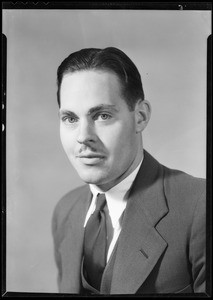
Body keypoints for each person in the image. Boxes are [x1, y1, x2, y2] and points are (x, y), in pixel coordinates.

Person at [52, 47, 206, 295]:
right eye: (70, 118)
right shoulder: (65, 210)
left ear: (141, 117)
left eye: (102, 115)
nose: (83, 137)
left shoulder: (201, 207)